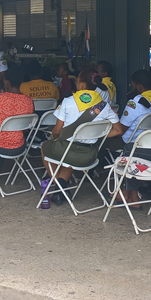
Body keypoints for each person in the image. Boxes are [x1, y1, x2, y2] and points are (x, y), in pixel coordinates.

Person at [41, 69, 123, 206]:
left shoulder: (67, 101)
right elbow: (119, 130)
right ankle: (61, 188)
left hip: (68, 150)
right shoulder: (104, 105)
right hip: (89, 155)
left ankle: (60, 188)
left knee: (46, 148)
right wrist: (98, 134)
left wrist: (55, 138)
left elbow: (56, 131)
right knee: (71, 154)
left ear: (82, 85)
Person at [105, 69, 151, 151]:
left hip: (128, 143)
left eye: (132, 85)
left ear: (140, 87)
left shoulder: (135, 103)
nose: (132, 88)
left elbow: (121, 130)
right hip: (146, 141)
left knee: (99, 141)